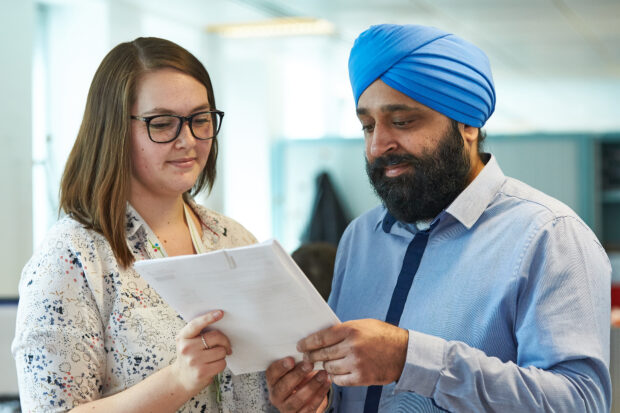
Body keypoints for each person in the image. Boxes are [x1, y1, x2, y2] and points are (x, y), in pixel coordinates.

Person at [266, 24, 612, 412]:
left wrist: (410, 359)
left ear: (467, 124)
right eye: (367, 126)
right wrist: (315, 400)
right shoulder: (360, 238)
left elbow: (580, 402)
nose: (378, 145)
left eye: (402, 121)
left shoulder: (549, 237)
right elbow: (348, 392)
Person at [12, 37, 275, 412]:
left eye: (200, 120)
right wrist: (177, 380)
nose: (187, 140)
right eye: (163, 123)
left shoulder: (233, 239)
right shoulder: (73, 258)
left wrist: (286, 394)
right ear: (114, 130)